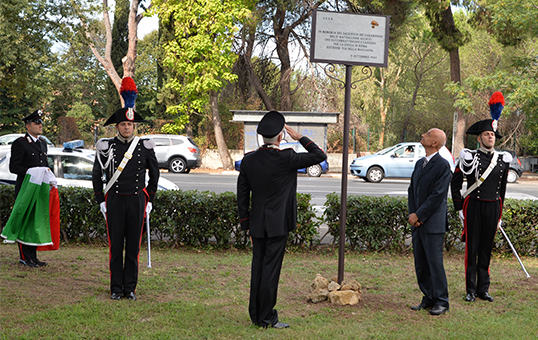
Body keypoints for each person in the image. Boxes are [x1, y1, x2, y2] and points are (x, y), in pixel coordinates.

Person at [237, 110, 327, 328]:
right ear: (280, 137)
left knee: (258, 269)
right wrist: (300, 137)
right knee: (270, 271)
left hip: (257, 224)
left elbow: (242, 195)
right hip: (278, 226)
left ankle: (256, 314)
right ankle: (267, 317)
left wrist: (246, 225)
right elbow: (320, 156)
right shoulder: (288, 157)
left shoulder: (249, 160)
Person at [92, 77, 159, 301]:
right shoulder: (105, 146)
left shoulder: (144, 146)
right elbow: (96, 174)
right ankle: (115, 288)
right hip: (115, 200)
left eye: (130, 124)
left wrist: (150, 200)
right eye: (123, 124)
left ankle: (130, 287)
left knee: (133, 247)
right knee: (115, 247)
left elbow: (155, 173)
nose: (127, 127)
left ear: (134, 126)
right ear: (117, 126)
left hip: (137, 200)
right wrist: (101, 199)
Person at [451, 119, 511, 303]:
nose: (490, 137)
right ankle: (470, 290)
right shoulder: (469, 157)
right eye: (487, 134)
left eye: (492, 134)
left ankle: (483, 289)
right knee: (472, 248)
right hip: (474, 205)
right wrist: (459, 207)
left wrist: (499, 214)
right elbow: (455, 183)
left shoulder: (502, 159)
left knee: (486, 249)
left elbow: (501, 190)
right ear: (479, 138)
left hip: (493, 207)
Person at [408, 128, 451, 316]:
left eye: (427, 134)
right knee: (421, 263)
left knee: (434, 263)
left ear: (435, 143)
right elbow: (412, 190)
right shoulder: (419, 163)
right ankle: (428, 297)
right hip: (417, 221)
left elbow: (437, 196)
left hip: (432, 223)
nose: (423, 134)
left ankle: (442, 301)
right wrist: (412, 214)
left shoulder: (443, 166)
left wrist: (420, 215)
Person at [7, 110, 50, 267]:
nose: (40, 125)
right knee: (25, 221)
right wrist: (31, 171)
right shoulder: (20, 143)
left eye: (41, 123)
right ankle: (24, 257)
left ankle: (33, 256)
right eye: (36, 123)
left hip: (38, 189)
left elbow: (44, 164)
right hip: (26, 188)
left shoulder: (42, 143)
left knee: (35, 222)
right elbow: (14, 167)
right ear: (28, 126)